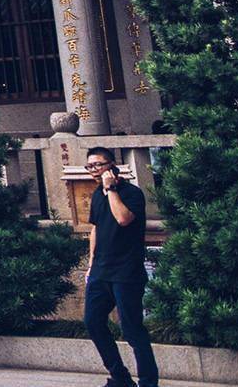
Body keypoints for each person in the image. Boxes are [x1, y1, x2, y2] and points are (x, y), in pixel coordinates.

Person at [83, 147, 158, 387]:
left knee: (133, 330)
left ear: (111, 165)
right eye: (90, 166)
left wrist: (111, 189)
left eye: (98, 165)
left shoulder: (132, 193)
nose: (94, 170)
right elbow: (95, 228)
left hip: (127, 272)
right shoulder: (96, 195)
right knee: (93, 323)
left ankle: (148, 382)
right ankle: (121, 378)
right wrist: (91, 263)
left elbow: (123, 219)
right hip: (100, 271)